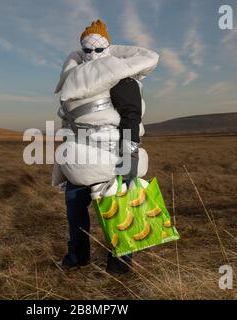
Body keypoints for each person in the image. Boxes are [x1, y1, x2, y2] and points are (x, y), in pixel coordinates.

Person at [52, 19, 159, 274]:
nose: (92, 55)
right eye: (87, 50)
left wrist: (129, 154)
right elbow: (70, 119)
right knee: (75, 210)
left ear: (108, 48)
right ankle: (77, 257)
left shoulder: (122, 79)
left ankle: (120, 265)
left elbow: (132, 116)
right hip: (79, 157)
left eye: (98, 49)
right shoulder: (76, 79)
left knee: (117, 210)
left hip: (111, 154)